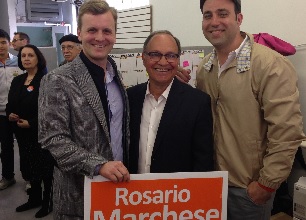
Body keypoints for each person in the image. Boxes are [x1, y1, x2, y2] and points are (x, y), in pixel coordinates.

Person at [196, 0, 305, 219]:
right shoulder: (205, 67)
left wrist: (265, 185)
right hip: (211, 184)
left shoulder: (269, 64)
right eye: (208, 15)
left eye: (222, 13)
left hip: (247, 191)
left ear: (239, 18)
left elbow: (287, 132)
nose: (214, 22)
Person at [38, 0, 130, 219]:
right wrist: (98, 165)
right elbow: (53, 139)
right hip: (78, 196)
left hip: (119, 192)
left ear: (115, 35)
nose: (100, 37)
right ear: (79, 33)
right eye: (92, 30)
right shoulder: (57, 79)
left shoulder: (116, 77)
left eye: (107, 30)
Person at [128, 30, 214, 174]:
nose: (163, 62)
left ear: (178, 60)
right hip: (134, 193)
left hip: (177, 193)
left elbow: (203, 163)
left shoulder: (197, 103)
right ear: (143, 58)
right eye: (155, 54)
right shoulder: (129, 98)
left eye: (170, 55)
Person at [7, 44, 54, 218]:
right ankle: (34, 198)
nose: (26, 58)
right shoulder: (17, 80)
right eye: (23, 56)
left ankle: (48, 202)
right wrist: (10, 113)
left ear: (38, 59)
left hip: (41, 133)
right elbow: (10, 103)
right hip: (22, 133)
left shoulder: (47, 80)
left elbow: (51, 110)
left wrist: (32, 123)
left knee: (45, 169)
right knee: (29, 167)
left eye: (30, 55)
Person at [0, 29, 23, 190]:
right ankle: (8, 177)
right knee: (6, 147)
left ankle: (31, 177)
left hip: (21, 113)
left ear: (9, 44)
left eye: (3, 42)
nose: (0, 46)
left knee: (26, 146)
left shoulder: (19, 62)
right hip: (1, 115)